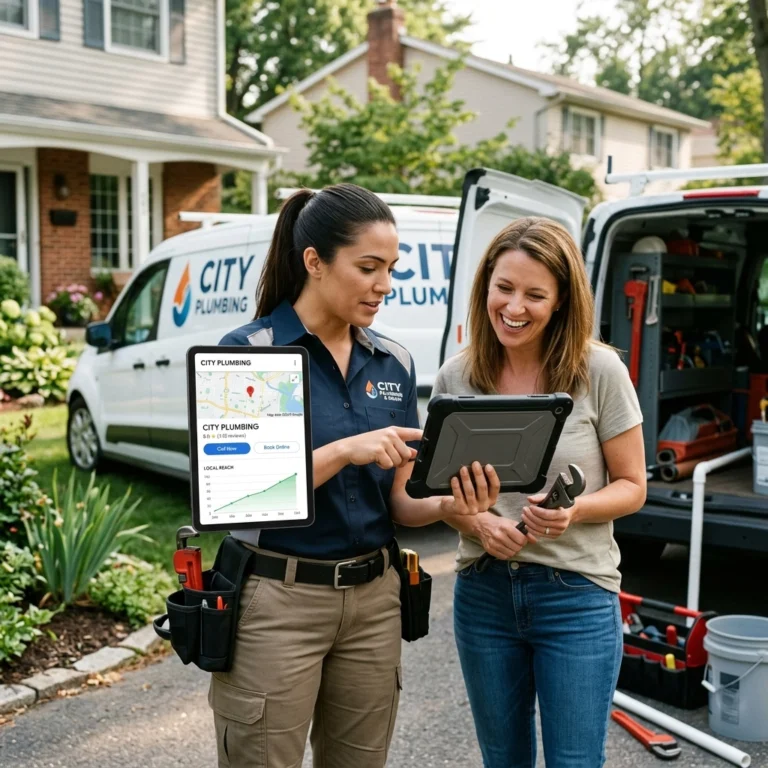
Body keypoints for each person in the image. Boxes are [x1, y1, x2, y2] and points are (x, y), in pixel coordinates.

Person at [212, 183, 499, 768]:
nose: (384, 285)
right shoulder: (253, 354)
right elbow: (237, 496)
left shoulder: (393, 361)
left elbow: (400, 503)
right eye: (369, 267)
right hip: (279, 603)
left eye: (391, 268)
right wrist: (345, 450)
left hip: (374, 602)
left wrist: (447, 506)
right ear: (314, 262)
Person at [428, 217, 646, 768]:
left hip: (575, 595)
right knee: (504, 761)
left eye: (535, 295)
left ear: (562, 301)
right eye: (504, 288)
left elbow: (633, 487)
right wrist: (475, 523)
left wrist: (575, 511)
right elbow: (439, 496)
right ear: (485, 289)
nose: (514, 307)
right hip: (483, 595)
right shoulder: (456, 378)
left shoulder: (599, 370)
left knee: (574, 762)